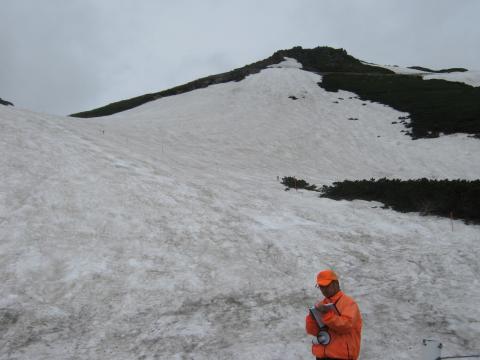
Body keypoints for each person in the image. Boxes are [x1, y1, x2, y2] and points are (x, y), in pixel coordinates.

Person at [305, 269, 362, 360]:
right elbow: (313, 331)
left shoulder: (349, 303)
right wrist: (311, 317)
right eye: (320, 286)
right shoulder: (322, 304)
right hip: (321, 357)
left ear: (336, 283)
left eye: (326, 285)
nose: (323, 289)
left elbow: (346, 326)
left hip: (341, 357)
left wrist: (326, 314)